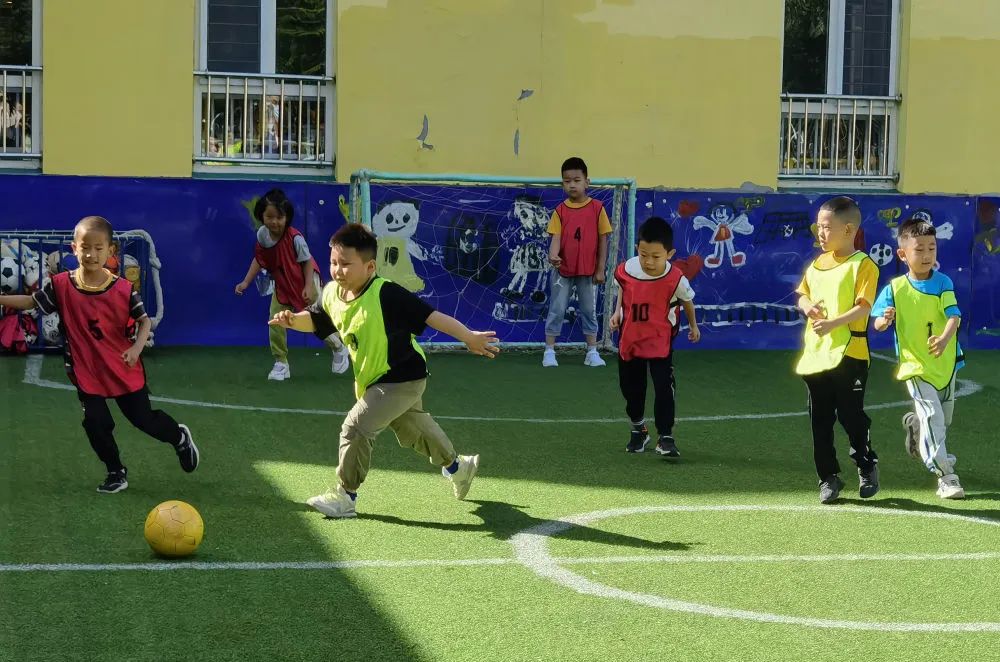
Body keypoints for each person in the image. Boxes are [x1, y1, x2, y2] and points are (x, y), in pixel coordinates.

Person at [269, 223, 499, 518]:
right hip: (372, 379)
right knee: (414, 430)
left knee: (356, 427)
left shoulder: (387, 294)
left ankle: (345, 496)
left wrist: (468, 337)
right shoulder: (331, 294)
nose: (337, 270)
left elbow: (431, 316)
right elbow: (316, 320)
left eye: (345, 264)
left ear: (370, 267)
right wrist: (292, 320)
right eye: (333, 262)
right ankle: (459, 467)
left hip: (403, 377)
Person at [0, 216, 199, 493]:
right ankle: (115, 471)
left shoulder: (124, 290)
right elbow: (32, 302)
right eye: (85, 247)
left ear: (111, 251)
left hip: (122, 368)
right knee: (95, 422)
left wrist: (136, 348)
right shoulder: (60, 285)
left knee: (143, 420)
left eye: (98, 248)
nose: (91, 254)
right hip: (86, 371)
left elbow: (144, 322)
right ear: (74, 249)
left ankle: (179, 438)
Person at [872, 218, 966, 499]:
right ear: (903, 254)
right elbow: (877, 323)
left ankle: (916, 425)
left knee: (942, 420)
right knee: (934, 418)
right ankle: (945, 475)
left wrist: (944, 339)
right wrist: (885, 319)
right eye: (919, 249)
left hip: (946, 363)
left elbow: (954, 316)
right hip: (915, 366)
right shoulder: (894, 289)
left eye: (931, 248)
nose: (926, 255)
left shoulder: (943, 282)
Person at [794, 196, 880, 504]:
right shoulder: (817, 265)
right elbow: (802, 294)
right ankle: (827, 478)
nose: (820, 232)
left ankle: (866, 463)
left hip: (850, 354)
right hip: (817, 355)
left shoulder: (863, 265)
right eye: (818, 226)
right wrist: (808, 307)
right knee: (819, 420)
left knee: (851, 416)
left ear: (848, 229)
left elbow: (863, 307)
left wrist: (832, 323)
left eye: (827, 227)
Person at [235, 188, 349, 380]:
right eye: (269, 217)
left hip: (305, 281)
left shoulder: (296, 238)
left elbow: (307, 263)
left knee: (316, 321)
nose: (274, 222)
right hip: (283, 285)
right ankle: (281, 363)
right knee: (275, 320)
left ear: (287, 217)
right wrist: (246, 282)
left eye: (279, 217)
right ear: (261, 216)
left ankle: (338, 347)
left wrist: (308, 287)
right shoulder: (262, 235)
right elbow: (259, 259)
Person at [610, 217, 700, 457]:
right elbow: (623, 289)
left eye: (656, 256)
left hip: (660, 341)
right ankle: (638, 429)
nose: (648, 261)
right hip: (630, 340)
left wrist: (693, 326)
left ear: (669, 254)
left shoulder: (676, 278)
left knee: (663, 388)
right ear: (637, 249)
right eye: (643, 254)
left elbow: (687, 302)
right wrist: (617, 313)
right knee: (631, 389)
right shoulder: (627, 269)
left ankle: (666, 436)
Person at [542, 157, 614, 368]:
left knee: (589, 310)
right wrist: (553, 255)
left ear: (586, 182)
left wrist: (600, 269)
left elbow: (603, 241)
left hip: (588, 271)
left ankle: (592, 351)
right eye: (567, 181)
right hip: (562, 271)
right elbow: (555, 237)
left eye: (576, 180)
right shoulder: (559, 211)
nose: (572, 185)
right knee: (557, 308)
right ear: (562, 184)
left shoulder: (598, 209)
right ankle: (549, 351)